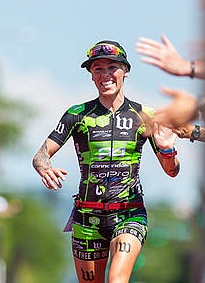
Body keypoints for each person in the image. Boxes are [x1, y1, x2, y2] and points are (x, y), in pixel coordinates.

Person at [32, 40, 180, 283]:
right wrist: (44, 167)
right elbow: (41, 154)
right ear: (91, 75)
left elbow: (172, 171)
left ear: (125, 71)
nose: (105, 75)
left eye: (112, 67)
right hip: (87, 218)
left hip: (129, 214)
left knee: (116, 280)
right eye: (98, 69)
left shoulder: (146, 116)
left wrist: (167, 150)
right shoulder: (76, 114)